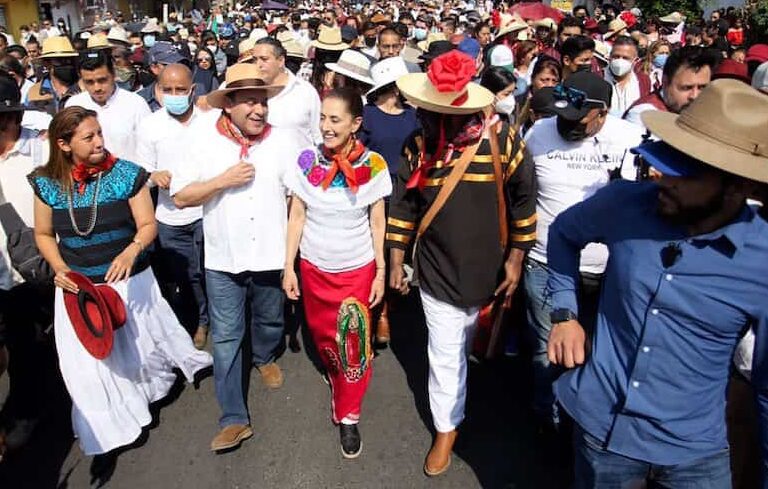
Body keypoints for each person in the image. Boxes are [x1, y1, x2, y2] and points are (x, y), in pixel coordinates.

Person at [546, 78, 768, 489]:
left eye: (684, 172)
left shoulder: (763, 260)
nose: (662, 177)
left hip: (696, 456)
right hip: (602, 436)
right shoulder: (624, 203)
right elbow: (562, 233)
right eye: (665, 159)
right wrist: (564, 313)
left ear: (738, 186)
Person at [29, 106, 212, 466]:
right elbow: (44, 234)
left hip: (129, 284)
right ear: (64, 145)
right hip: (79, 289)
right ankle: (111, 427)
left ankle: (144, 398)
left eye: (99, 133)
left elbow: (148, 225)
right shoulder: (46, 182)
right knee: (88, 366)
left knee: (139, 352)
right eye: (89, 137)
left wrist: (131, 251)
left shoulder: (125, 174)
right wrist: (61, 269)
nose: (99, 142)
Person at [387, 50, 537, 476]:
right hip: (437, 268)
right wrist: (396, 258)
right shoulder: (418, 143)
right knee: (446, 353)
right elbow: (405, 204)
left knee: (473, 345)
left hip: (489, 268)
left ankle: (467, 397)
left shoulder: (503, 141)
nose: (437, 118)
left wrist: (516, 259)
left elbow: (524, 201)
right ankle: (446, 428)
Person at [171, 64, 303, 452]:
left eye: (263, 102)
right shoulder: (201, 140)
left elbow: (300, 196)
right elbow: (181, 196)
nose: (259, 110)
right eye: (249, 102)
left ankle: (264, 356)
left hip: (270, 254)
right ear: (228, 105)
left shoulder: (285, 140)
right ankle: (233, 418)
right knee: (227, 337)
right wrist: (221, 181)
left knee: (269, 318)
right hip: (222, 260)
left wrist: (292, 258)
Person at [523, 71, 644, 436]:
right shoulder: (538, 133)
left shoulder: (630, 139)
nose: (565, 125)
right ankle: (550, 424)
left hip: (608, 270)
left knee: (597, 350)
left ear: (602, 113)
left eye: (577, 119)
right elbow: (521, 192)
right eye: (562, 116)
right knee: (548, 351)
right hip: (545, 262)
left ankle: (586, 424)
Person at [282, 87, 391, 458]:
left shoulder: (374, 165)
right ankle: (337, 377)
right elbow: (297, 217)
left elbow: (377, 222)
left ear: (355, 123)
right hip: (315, 270)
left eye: (335, 119)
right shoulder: (306, 161)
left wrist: (380, 271)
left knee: (353, 347)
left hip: (356, 271)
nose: (326, 126)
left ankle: (348, 414)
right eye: (322, 118)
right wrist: (289, 267)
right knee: (325, 339)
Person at [0, 74, 57, 456]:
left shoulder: (40, 150)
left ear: (9, 119)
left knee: (41, 343)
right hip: (3, 276)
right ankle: (28, 409)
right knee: (19, 346)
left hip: (41, 269)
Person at [135, 63, 208, 350]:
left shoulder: (209, 121)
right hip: (169, 218)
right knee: (184, 276)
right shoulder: (150, 126)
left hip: (206, 212)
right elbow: (142, 172)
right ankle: (193, 321)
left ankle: (208, 320)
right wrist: (153, 176)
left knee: (208, 273)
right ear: (158, 90)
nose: (175, 95)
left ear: (192, 90)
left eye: (181, 89)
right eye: (168, 90)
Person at [65, 49, 151, 164]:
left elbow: (148, 148)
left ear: (113, 74)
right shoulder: (74, 104)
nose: (97, 88)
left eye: (102, 80)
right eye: (89, 82)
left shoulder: (136, 104)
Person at [624, 46, 719, 127]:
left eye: (702, 88)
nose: (694, 96)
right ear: (665, 82)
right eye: (686, 88)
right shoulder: (642, 117)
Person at [253, 37, 322, 146]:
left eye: (264, 59)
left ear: (281, 61)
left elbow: (318, 137)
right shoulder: (249, 91)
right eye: (254, 60)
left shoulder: (305, 92)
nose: (258, 65)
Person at [26, 37, 82, 115]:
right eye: (60, 60)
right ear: (46, 63)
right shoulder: (35, 92)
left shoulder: (86, 86)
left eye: (70, 60)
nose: (67, 63)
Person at [604, 36, 651, 117]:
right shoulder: (598, 77)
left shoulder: (643, 80)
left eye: (625, 58)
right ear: (609, 57)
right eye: (616, 56)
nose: (620, 61)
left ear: (635, 60)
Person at [137, 42, 189, 112]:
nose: (178, 68)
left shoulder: (195, 95)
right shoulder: (139, 100)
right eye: (171, 65)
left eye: (182, 64)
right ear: (154, 68)